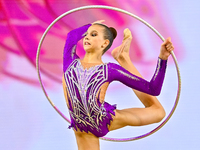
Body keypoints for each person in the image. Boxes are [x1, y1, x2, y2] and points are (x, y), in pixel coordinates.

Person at [62, 20, 174, 150]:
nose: (86, 37)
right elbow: (71, 36)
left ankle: (123, 58)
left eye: (93, 34)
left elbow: (153, 89)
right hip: (82, 129)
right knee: (158, 112)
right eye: (86, 34)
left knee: (158, 112)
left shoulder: (110, 70)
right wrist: (90, 25)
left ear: (105, 43)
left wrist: (163, 59)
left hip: (104, 120)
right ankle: (122, 56)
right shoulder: (70, 61)